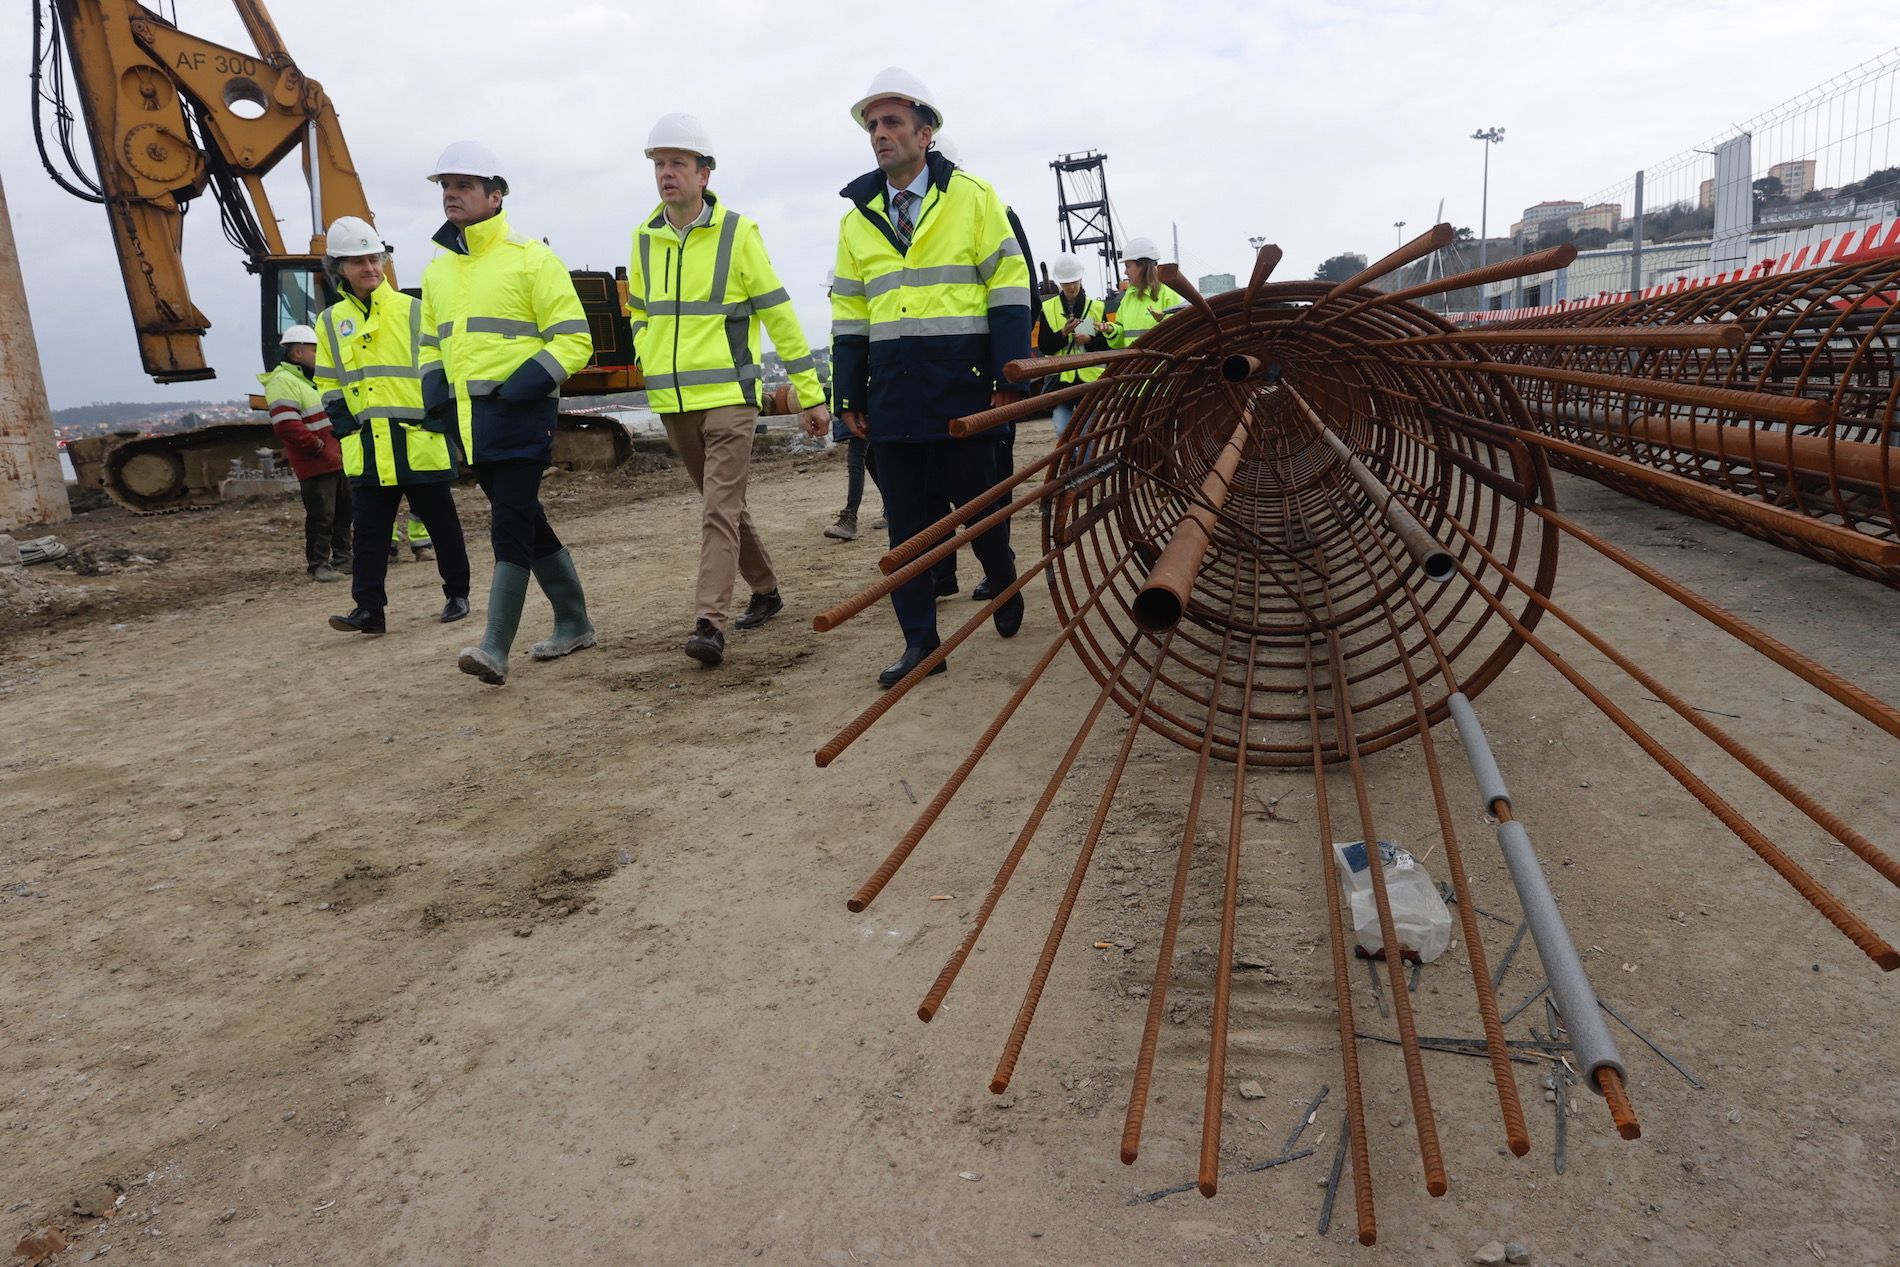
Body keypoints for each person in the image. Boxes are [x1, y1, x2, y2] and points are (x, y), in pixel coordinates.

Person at [832, 68, 1031, 689]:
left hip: (962, 392)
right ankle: (923, 643)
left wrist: (1007, 380)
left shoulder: (974, 198)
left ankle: (1000, 575)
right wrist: (848, 393)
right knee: (907, 531)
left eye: (891, 122)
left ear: (927, 131)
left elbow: (1008, 290)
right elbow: (849, 314)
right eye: (872, 125)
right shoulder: (856, 219)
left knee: (981, 512)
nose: (879, 134)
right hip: (893, 398)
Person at [628, 113, 829, 667]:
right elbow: (638, 312)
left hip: (731, 400)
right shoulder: (643, 239)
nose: (667, 174)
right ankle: (766, 591)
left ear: (704, 174)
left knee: (717, 510)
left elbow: (780, 315)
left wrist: (809, 393)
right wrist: (646, 350)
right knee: (726, 507)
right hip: (673, 403)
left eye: (678, 164)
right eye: (660, 164)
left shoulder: (740, 234)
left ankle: (709, 623)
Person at [418, 142, 598, 685]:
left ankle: (494, 647)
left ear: (495, 196)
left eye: (464, 185)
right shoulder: (438, 271)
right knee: (526, 520)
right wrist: (435, 396)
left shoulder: (531, 258)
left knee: (509, 524)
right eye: (446, 185)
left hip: (521, 414)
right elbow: (431, 343)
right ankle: (575, 620)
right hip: (472, 422)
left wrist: (522, 388)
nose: (451, 193)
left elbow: (574, 340)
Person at [314, 216, 471, 635]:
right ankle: (369, 610)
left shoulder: (414, 310)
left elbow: (444, 368)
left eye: (375, 258)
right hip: (367, 445)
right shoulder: (329, 322)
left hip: (417, 438)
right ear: (340, 269)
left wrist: (439, 419)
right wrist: (344, 425)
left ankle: (458, 594)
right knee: (368, 533)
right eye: (359, 261)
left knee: (442, 524)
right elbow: (327, 381)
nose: (370, 268)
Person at [261, 325, 349, 582]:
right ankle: (318, 565)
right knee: (322, 515)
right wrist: (317, 447)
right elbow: (287, 425)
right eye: (315, 350)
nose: (319, 356)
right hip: (317, 462)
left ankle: (343, 560)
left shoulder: (312, 380)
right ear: (297, 353)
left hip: (336, 457)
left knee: (344, 513)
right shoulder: (283, 381)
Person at [824, 269, 884, 543]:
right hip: (851, 403)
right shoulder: (842, 323)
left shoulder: (862, 320)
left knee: (857, 459)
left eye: (832, 290)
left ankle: (850, 518)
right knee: (871, 460)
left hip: (864, 401)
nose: (829, 295)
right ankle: (894, 506)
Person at [1037, 252, 1111, 438]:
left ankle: (1084, 466)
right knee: (1063, 429)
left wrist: (1090, 340)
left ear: (1080, 278)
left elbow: (1106, 346)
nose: (1072, 287)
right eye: (1067, 283)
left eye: (1075, 282)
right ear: (1060, 283)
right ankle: (1078, 463)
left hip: (1089, 380)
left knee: (1087, 433)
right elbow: (1044, 346)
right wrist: (1063, 334)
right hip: (1061, 380)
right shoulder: (1049, 308)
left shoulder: (1095, 307)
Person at [1104, 236, 1184, 347]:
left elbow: (1179, 334)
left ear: (1142, 266)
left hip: (1160, 364)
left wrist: (1162, 320)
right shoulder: (1128, 297)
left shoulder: (1169, 295)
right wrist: (1111, 330)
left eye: (1128, 266)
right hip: (1133, 363)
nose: (1125, 272)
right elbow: (1121, 337)